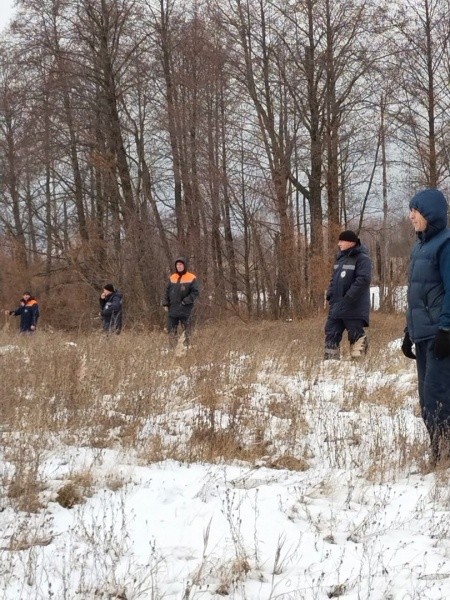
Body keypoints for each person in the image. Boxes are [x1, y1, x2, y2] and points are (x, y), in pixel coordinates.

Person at [401, 188, 450, 466]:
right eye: (411, 211)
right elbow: (417, 294)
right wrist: (408, 332)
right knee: (425, 398)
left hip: (440, 335)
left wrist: (447, 329)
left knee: (437, 397)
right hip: (422, 334)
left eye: (415, 211)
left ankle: (444, 453)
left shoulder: (446, 244)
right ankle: (439, 450)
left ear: (430, 214)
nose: (411, 216)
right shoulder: (419, 246)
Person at [324, 230, 372, 360]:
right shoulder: (340, 258)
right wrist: (330, 293)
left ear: (351, 242)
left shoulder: (363, 259)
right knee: (331, 333)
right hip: (336, 305)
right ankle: (330, 363)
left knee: (356, 335)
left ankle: (359, 365)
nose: (339, 244)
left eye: (341, 241)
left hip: (353, 306)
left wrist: (349, 296)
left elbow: (364, 280)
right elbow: (334, 279)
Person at [163, 257, 199, 348]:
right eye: (177, 265)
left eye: (180, 264)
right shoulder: (172, 277)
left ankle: (187, 347)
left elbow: (195, 292)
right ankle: (173, 348)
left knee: (187, 330)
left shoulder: (191, 277)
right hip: (173, 309)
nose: (179, 266)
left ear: (184, 265)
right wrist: (165, 303)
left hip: (185, 309)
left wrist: (186, 301)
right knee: (171, 331)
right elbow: (166, 291)